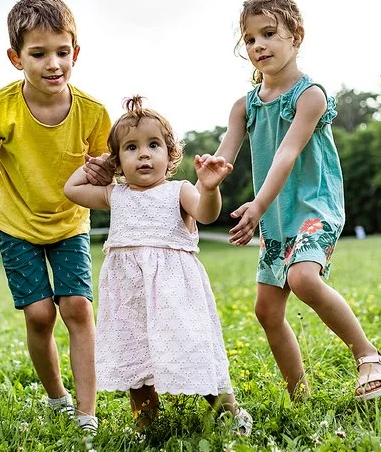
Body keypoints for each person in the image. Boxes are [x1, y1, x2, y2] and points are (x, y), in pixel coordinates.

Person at [203, 0, 381, 401]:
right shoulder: (244, 106)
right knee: (267, 311)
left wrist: (257, 205)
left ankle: (369, 356)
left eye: (269, 34)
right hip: (275, 217)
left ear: (296, 36)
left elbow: (287, 154)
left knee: (303, 277)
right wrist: (208, 175)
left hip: (312, 207)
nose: (259, 46)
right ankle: (299, 397)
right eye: (250, 39)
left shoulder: (310, 96)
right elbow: (225, 156)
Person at [0, 0, 111, 433]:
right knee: (40, 315)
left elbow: (106, 174)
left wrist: (106, 181)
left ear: (75, 52)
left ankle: (86, 413)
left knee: (76, 306)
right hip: (15, 222)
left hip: (69, 221)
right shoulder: (0, 108)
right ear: (16, 58)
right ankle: (57, 397)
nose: (53, 63)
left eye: (62, 52)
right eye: (38, 54)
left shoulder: (94, 114)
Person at [64, 96, 253, 435]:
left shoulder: (179, 191)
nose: (144, 154)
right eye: (131, 148)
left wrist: (209, 189)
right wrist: (103, 166)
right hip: (129, 296)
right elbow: (71, 188)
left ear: (170, 155)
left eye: (153, 145)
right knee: (136, 355)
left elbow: (207, 213)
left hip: (175, 293)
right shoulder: (115, 195)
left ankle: (228, 412)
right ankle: (147, 426)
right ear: (118, 160)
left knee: (192, 347)